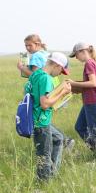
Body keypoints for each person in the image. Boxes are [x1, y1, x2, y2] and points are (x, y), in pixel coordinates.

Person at [26, 52, 72, 180]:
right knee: (44, 155)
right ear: (57, 65)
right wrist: (63, 92)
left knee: (58, 138)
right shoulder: (46, 78)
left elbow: (29, 93)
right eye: (61, 70)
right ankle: (44, 183)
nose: (59, 74)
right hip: (41, 122)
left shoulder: (35, 74)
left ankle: (52, 173)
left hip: (34, 119)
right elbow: (45, 104)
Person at [67, 42, 96, 159]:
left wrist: (73, 83)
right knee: (79, 127)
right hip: (89, 101)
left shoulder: (89, 63)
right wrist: (77, 88)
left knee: (95, 130)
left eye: (76, 55)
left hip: (92, 102)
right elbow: (94, 83)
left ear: (82, 51)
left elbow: (92, 83)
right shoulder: (92, 62)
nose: (76, 58)